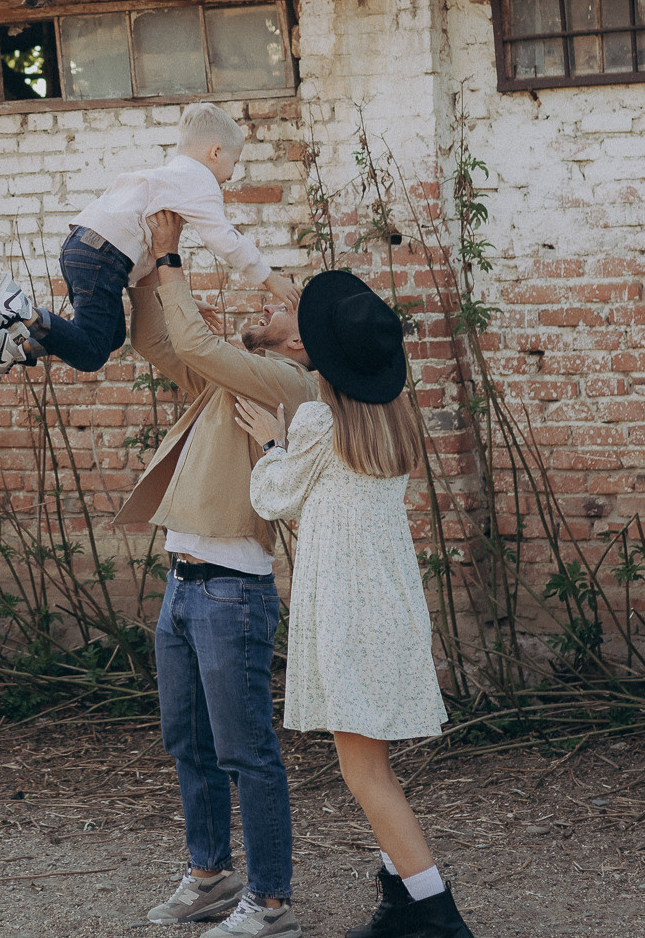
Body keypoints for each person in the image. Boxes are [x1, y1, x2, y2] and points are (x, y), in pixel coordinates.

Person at [238, 269, 474, 938]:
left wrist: (270, 442)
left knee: (362, 767)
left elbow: (275, 498)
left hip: (346, 604)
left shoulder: (315, 420)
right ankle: (402, 897)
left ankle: (435, 912)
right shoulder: (394, 418)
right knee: (371, 759)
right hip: (387, 598)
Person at [116, 210, 312, 938]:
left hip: (233, 591)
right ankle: (210, 875)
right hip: (183, 585)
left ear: (299, 338)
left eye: (278, 304)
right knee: (188, 743)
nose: (265, 303)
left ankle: (271, 901)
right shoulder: (231, 379)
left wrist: (172, 250)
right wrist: (136, 265)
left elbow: (193, 336)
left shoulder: (287, 381)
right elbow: (158, 339)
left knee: (245, 752)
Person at [0, 102, 300, 376]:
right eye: (234, 163)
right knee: (94, 353)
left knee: (110, 337)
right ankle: (18, 310)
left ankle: (17, 346)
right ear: (215, 152)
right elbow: (225, 240)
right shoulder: (200, 181)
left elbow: (148, 254)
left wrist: (176, 299)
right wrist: (268, 278)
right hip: (102, 258)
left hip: (85, 249)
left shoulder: (170, 179)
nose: (231, 175)